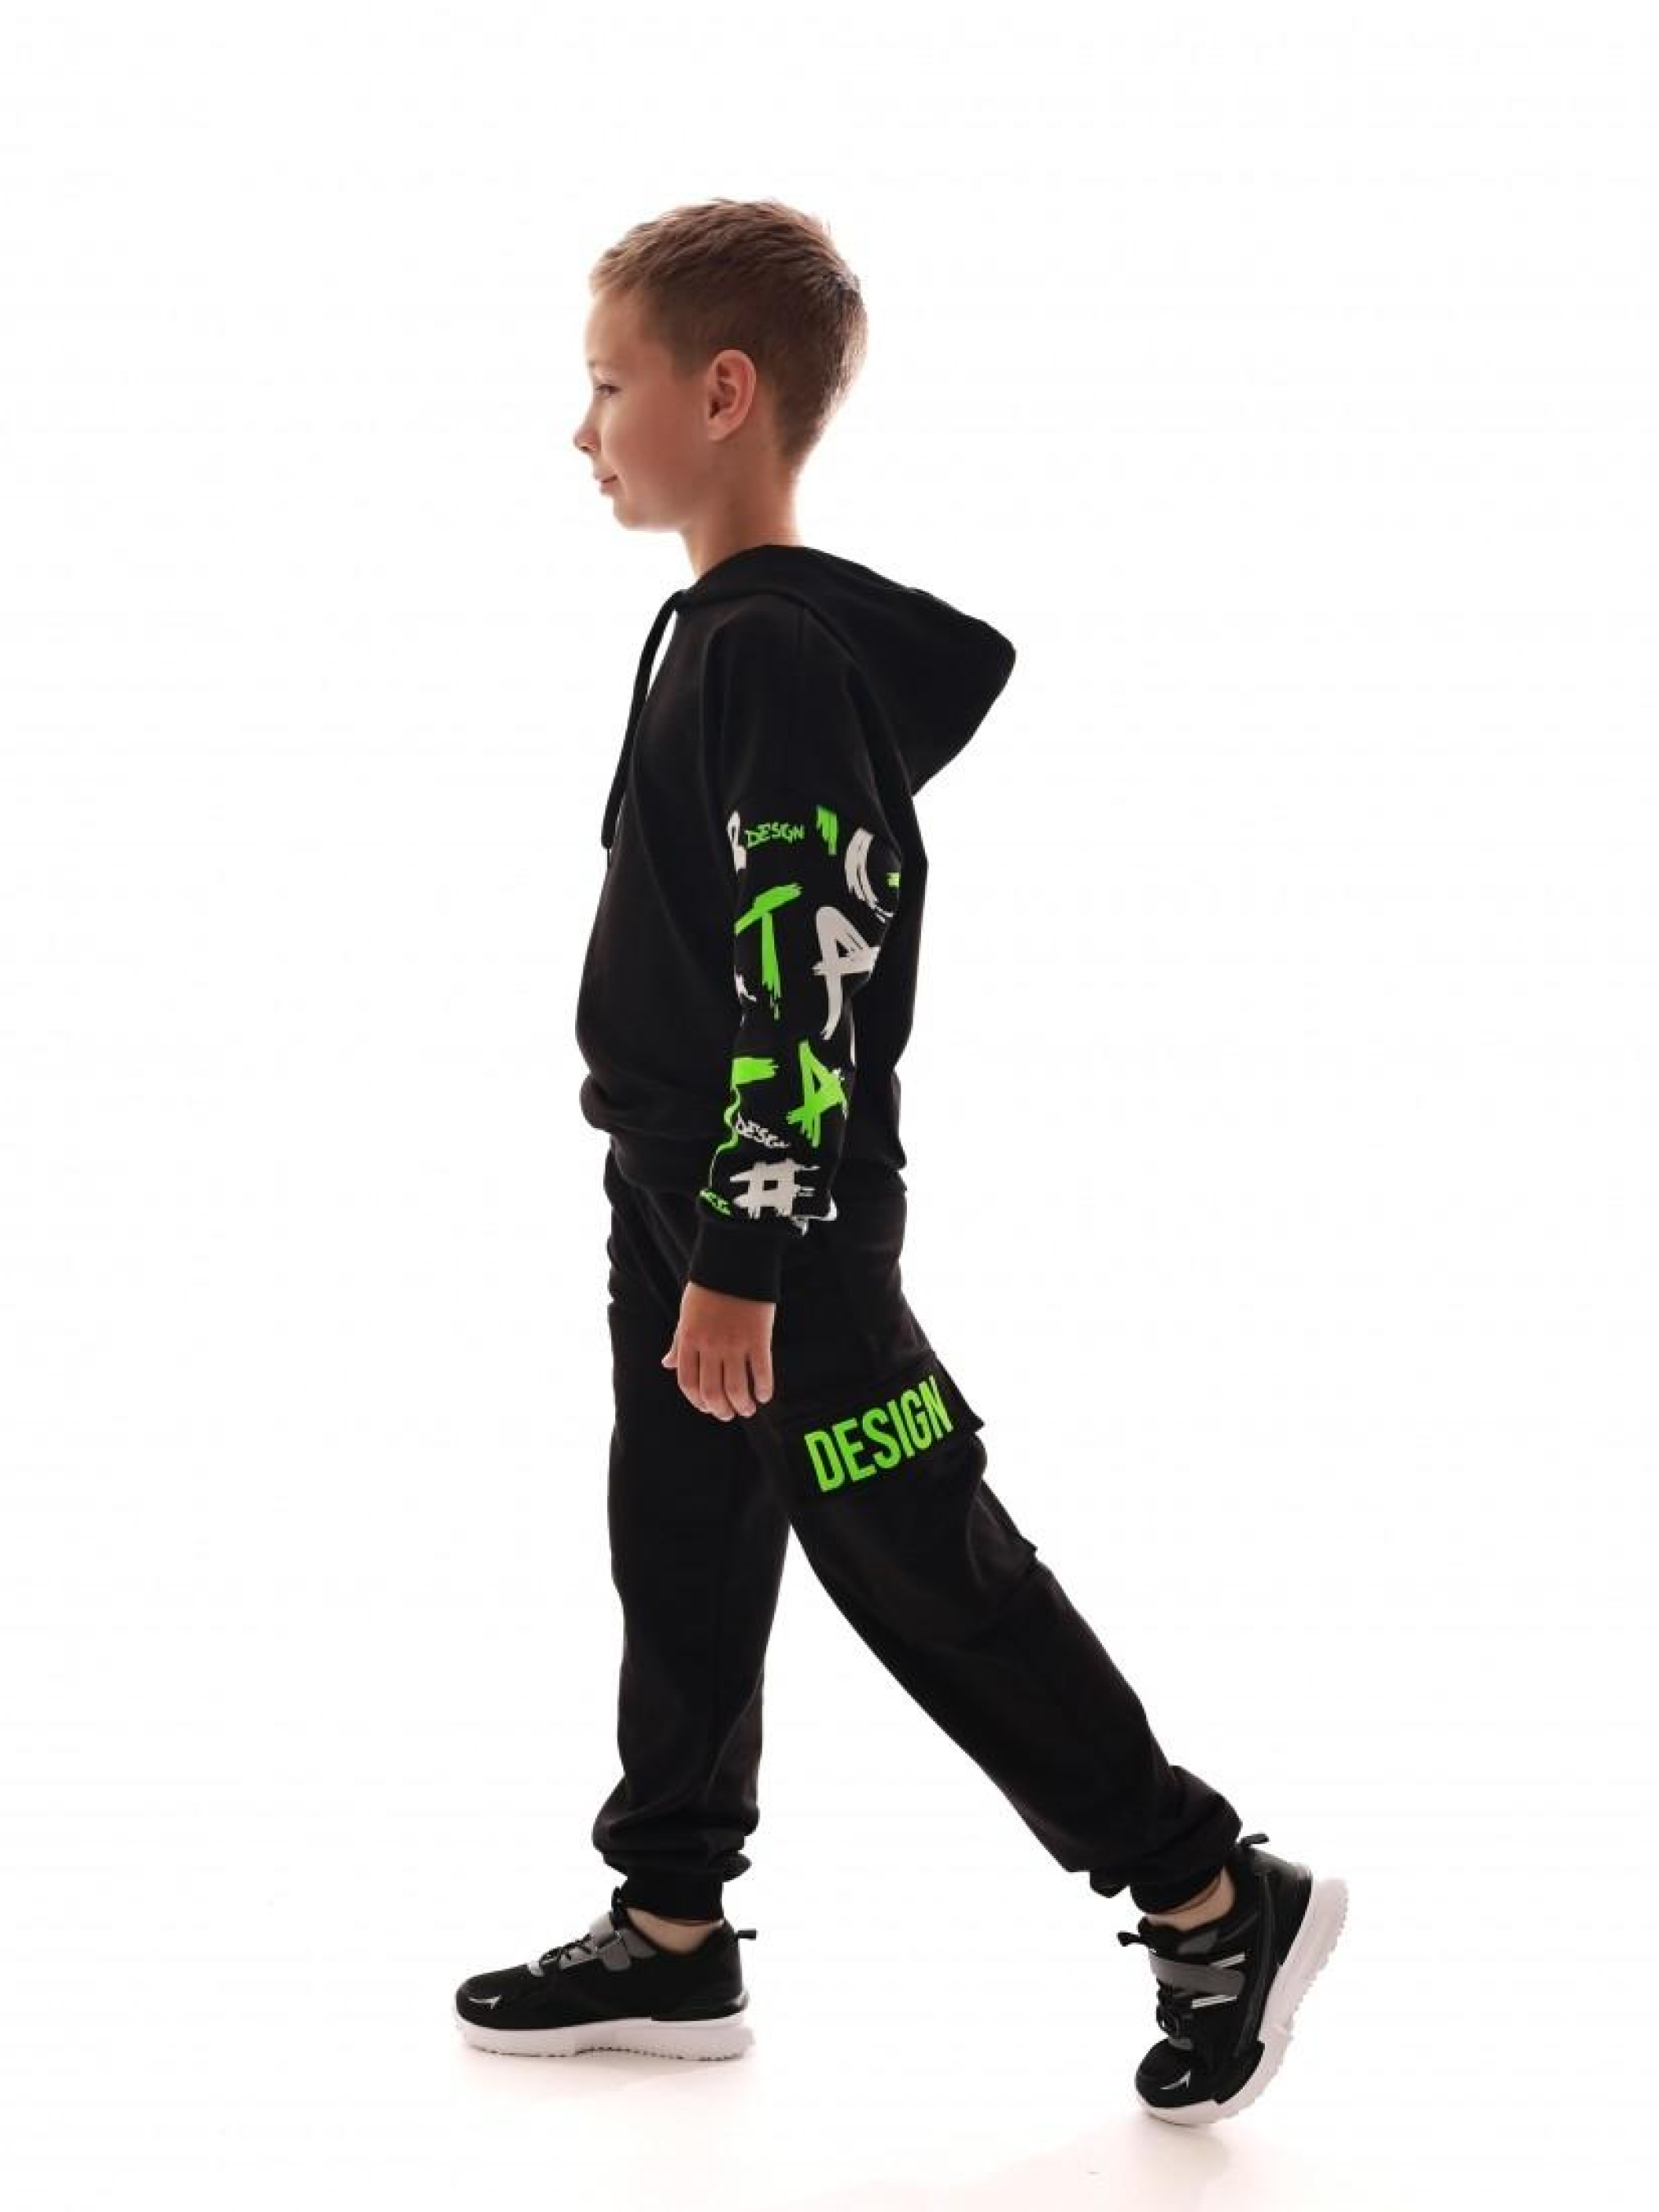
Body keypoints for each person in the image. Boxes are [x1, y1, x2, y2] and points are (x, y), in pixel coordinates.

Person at [453, 197, 1347, 2126]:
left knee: (919, 1559)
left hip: (772, 1240)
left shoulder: (772, 653)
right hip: (676, 1198)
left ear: (721, 392)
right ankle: (669, 1922)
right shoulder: (712, 637)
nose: (580, 429)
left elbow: (810, 977)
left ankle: (1209, 1891)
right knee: (682, 1546)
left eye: (606, 386)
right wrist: (693, 1228)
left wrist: (745, 1254)